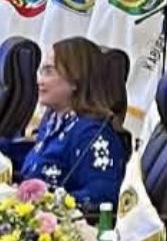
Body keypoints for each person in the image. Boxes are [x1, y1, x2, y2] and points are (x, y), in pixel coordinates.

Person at [1, 38, 127, 207]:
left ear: (75, 79)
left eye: (49, 72)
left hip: (57, 219)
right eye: (42, 72)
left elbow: (102, 196)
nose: (39, 81)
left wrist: (46, 203)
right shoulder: (55, 117)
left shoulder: (92, 135)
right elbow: (38, 159)